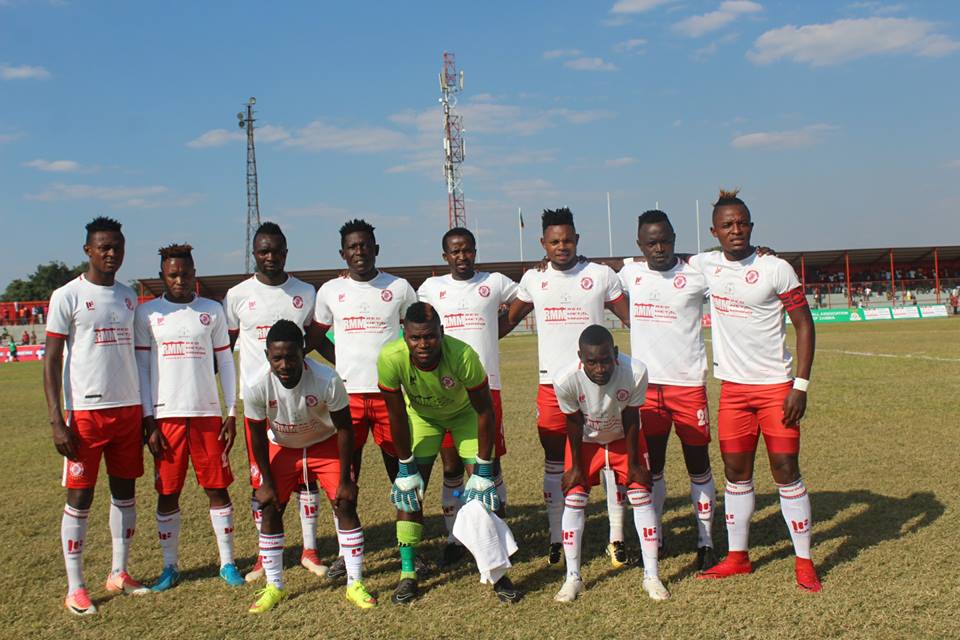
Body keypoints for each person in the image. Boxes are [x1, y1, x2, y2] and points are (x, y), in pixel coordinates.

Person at [689, 189, 821, 592]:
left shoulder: (775, 267)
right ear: (714, 231)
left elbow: (804, 324)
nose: (736, 230)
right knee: (736, 473)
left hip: (776, 389)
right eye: (727, 224)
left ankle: (804, 561)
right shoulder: (704, 265)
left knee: (785, 470)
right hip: (733, 392)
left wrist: (800, 386)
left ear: (751, 226)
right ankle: (738, 557)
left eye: (742, 222)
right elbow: (657, 263)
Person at [504, 208, 632, 566]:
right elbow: (507, 320)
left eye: (568, 240)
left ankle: (616, 537)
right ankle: (556, 536)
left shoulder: (600, 275)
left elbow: (631, 318)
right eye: (555, 241)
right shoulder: (533, 278)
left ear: (577, 240)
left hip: (599, 385)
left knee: (608, 459)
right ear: (543, 244)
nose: (562, 247)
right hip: (551, 386)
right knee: (555, 460)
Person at [377, 302, 522, 605]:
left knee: (484, 493)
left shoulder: (463, 355)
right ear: (404, 335)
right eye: (415, 338)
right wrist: (405, 466)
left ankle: (498, 574)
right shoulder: (390, 358)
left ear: (441, 332)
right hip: (422, 418)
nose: (423, 344)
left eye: (430, 336)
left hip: (465, 416)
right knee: (409, 492)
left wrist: (483, 469)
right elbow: (396, 415)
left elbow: (485, 411)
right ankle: (408, 573)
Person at [43, 216, 149, 615]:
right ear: (88, 250)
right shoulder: (66, 295)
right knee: (80, 496)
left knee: (125, 494)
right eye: (103, 247)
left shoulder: (128, 296)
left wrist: (144, 413)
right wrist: (57, 420)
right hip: (86, 413)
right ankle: (76, 587)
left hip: (128, 409)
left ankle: (119, 572)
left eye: (117, 247)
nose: (111, 253)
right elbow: (52, 360)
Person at [308, 219, 418, 579]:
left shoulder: (398, 288)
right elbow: (316, 336)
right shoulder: (330, 291)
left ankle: (409, 551)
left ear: (376, 249)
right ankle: (346, 553)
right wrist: (338, 362)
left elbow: (415, 333)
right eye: (352, 247)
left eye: (365, 245)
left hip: (390, 396)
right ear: (343, 253)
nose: (360, 252)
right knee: (344, 478)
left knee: (402, 476)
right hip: (346, 399)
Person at [243, 320, 375, 613]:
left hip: (324, 443)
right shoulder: (255, 384)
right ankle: (274, 586)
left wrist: (346, 479)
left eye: (291, 356)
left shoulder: (327, 378)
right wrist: (265, 481)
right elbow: (255, 435)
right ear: (267, 356)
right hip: (283, 446)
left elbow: (345, 428)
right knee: (270, 507)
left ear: (303, 352)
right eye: (277, 358)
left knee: (344, 503)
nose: (284, 365)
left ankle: (355, 583)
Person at [134, 244, 243, 591]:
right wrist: (148, 419)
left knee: (217, 488)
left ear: (195, 274)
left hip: (207, 414)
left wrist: (230, 411)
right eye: (172, 275)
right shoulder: (148, 314)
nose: (179, 280)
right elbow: (142, 368)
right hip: (166, 416)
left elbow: (225, 362)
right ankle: (170, 566)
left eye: (185, 274)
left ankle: (227, 563)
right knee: (168, 492)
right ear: (162, 277)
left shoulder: (211, 310)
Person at [223, 222, 325, 581]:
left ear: (286, 252)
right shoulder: (237, 296)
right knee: (261, 480)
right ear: (254, 253)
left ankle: (310, 550)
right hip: (257, 403)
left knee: (305, 475)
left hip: (299, 399)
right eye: (264, 251)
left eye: (277, 250)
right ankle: (265, 556)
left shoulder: (306, 292)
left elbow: (314, 341)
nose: (271, 256)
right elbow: (225, 349)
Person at [619, 210, 718, 571]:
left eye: (665, 241)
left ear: (675, 239)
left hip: (688, 387)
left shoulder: (697, 273)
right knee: (652, 467)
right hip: (645, 390)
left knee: (698, 465)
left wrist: (761, 252)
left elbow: (731, 266)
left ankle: (706, 541)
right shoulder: (630, 274)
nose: (659, 248)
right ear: (640, 245)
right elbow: (593, 276)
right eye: (651, 243)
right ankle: (656, 539)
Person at [416, 226, 516, 566]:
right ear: (445, 256)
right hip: (445, 389)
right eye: (455, 251)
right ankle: (455, 538)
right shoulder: (431, 288)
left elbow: (526, 298)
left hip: (486, 386)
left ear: (475, 251)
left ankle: (497, 536)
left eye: (467, 249)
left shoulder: (495, 282)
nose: (462, 256)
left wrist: (496, 328)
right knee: (452, 466)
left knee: (488, 465)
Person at [553, 325, 668, 602]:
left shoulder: (635, 371)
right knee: (574, 499)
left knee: (641, 495)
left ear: (615, 353)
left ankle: (651, 576)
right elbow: (573, 422)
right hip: (586, 441)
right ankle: (572, 578)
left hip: (622, 438)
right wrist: (577, 467)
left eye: (606, 360)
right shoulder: (565, 379)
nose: (600, 368)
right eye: (592, 362)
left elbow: (631, 417)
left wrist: (633, 463)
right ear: (581, 357)